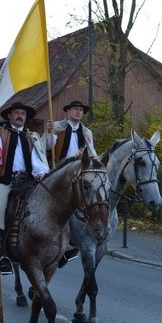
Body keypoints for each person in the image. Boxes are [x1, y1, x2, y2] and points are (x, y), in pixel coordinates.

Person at [0, 101, 50, 275]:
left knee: (50, 202)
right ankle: (2, 254)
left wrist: (41, 173)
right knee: (0, 209)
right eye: (16, 112)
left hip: (27, 181)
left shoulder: (32, 137)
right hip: (4, 180)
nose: (19, 116)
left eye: (22, 113)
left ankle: (56, 245)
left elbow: (38, 161)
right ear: (9, 116)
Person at [44, 100, 97, 267]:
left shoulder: (87, 131)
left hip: (78, 171)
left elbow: (92, 151)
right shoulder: (57, 126)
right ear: (68, 111)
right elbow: (47, 146)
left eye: (81, 110)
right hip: (59, 168)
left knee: (88, 201)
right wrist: (49, 132)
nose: (78, 112)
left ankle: (75, 241)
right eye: (75, 109)